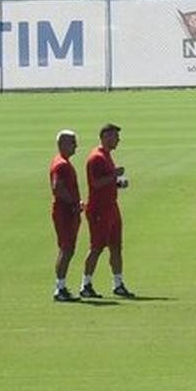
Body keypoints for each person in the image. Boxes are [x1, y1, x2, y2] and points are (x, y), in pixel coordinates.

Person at [80, 122, 134, 299]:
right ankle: (85, 284)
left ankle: (118, 284)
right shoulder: (97, 158)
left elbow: (105, 182)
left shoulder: (106, 155)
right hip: (99, 210)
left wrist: (118, 183)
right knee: (96, 247)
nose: (118, 140)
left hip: (111, 207)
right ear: (105, 137)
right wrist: (114, 175)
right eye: (115, 136)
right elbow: (95, 183)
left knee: (116, 247)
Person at [50, 129, 82, 302]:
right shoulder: (61, 164)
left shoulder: (62, 162)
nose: (76, 146)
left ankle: (61, 286)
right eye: (73, 142)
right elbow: (57, 187)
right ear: (62, 144)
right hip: (65, 212)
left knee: (67, 248)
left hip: (66, 211)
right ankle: (59, 288)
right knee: (66, 248)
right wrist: (73, 204)